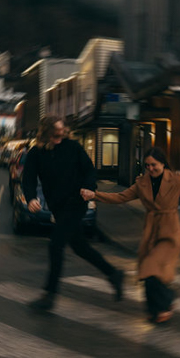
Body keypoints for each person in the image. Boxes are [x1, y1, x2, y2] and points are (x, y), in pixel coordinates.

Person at [81, 147, 180, 324]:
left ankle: (166, 301)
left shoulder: (175, 180)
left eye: (154, 165)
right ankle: (156, 309)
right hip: (151, 231)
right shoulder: (142, 183)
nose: (151, 169)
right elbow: (121, 197)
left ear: (162, 163)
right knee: (147, 270)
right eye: (147, 166)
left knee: (151, 266)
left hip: (169, 232)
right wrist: (95, 195)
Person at [22, 115, 124, 311]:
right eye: (55, 135)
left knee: (55, 245)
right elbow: (28, 179)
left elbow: (89, 171)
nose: (59, 138)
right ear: (45, 134)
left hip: (76, 203)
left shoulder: (73, 147)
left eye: (62, 134)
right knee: (80, 247)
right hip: (58, 207)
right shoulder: (36, 153)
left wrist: (88, 187)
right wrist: (31, 198)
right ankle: (113, 273)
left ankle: (49, 296)